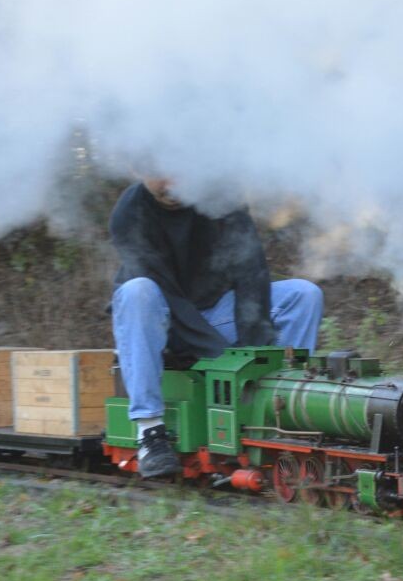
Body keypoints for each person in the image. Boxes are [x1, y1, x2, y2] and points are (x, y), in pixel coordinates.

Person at [108, 176, 324, 478]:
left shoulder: (221, 195)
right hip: (160, 320)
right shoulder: (130, 212)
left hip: (214, 312)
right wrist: (224, 355)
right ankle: (150, 432)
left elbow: (252, 272)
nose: (169, 181)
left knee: (304, 295)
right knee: (136, 292)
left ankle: (281, 407)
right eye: (158, 171)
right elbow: (168, 295)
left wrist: (256, 351)